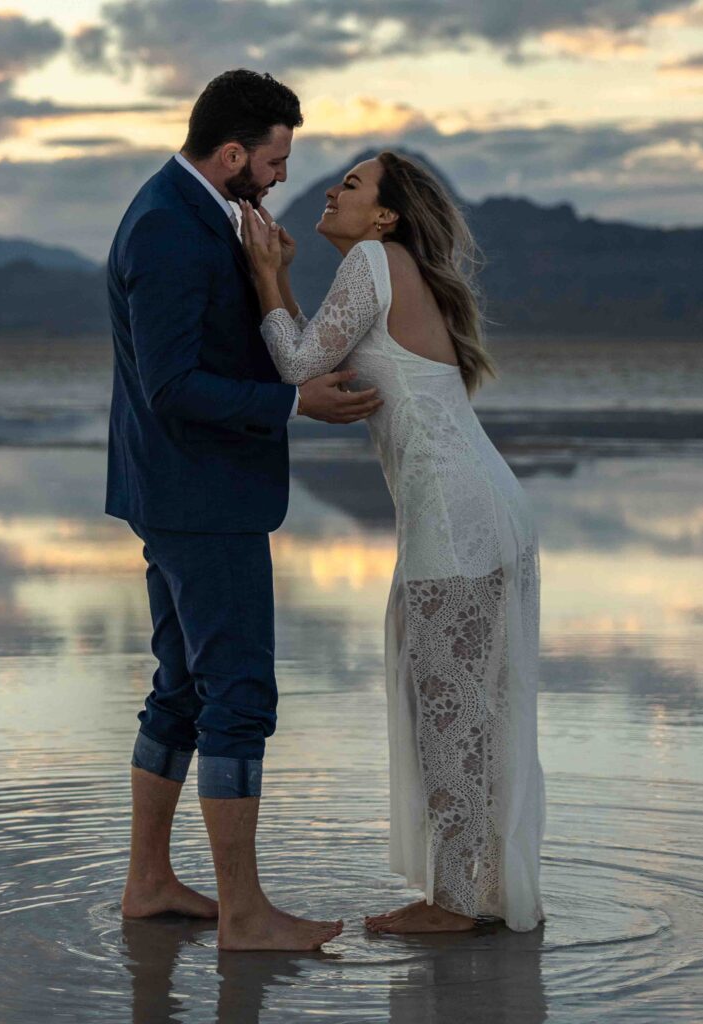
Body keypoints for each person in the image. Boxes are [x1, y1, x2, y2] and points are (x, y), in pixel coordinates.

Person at [105, 69, 383, 952]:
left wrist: (273, 279)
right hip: (200, 496)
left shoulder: (198, 216)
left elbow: (245, 349)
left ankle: (149, 885)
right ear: (231, 154)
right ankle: (245, 914)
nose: (278, 177)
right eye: (272, 161)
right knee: (237, 695)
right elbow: (172, 385)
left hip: (185, 491)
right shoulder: (168, 230)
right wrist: (293, 407)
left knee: (183, 691)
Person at [240, 150, 547, 933]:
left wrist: (267, 274)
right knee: (468, 711)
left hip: (455, 517)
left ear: (383, 215)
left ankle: (454, 903)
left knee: (447, 712)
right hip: (481, 507)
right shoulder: (393, 265)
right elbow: (318, 361)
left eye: (353, 183)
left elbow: (299, 362)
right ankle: (476, 893)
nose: (334, 190)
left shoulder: (375, 258)